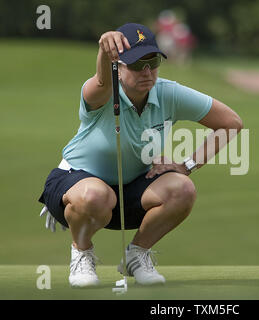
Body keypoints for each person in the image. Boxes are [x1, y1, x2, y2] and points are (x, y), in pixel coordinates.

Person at [38, 23, 243, 287]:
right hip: (77, 183)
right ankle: (81, 252)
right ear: (118, 67)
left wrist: (187, 165)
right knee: (96, 195)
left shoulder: (168, 92)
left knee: (183, 190)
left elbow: (231, 123)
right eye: (136, 64)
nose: (146, 72)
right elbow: (101, 81)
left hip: (131, 188)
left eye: (153, 62)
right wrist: (104, 49)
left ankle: (137, 255)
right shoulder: (100, 93)